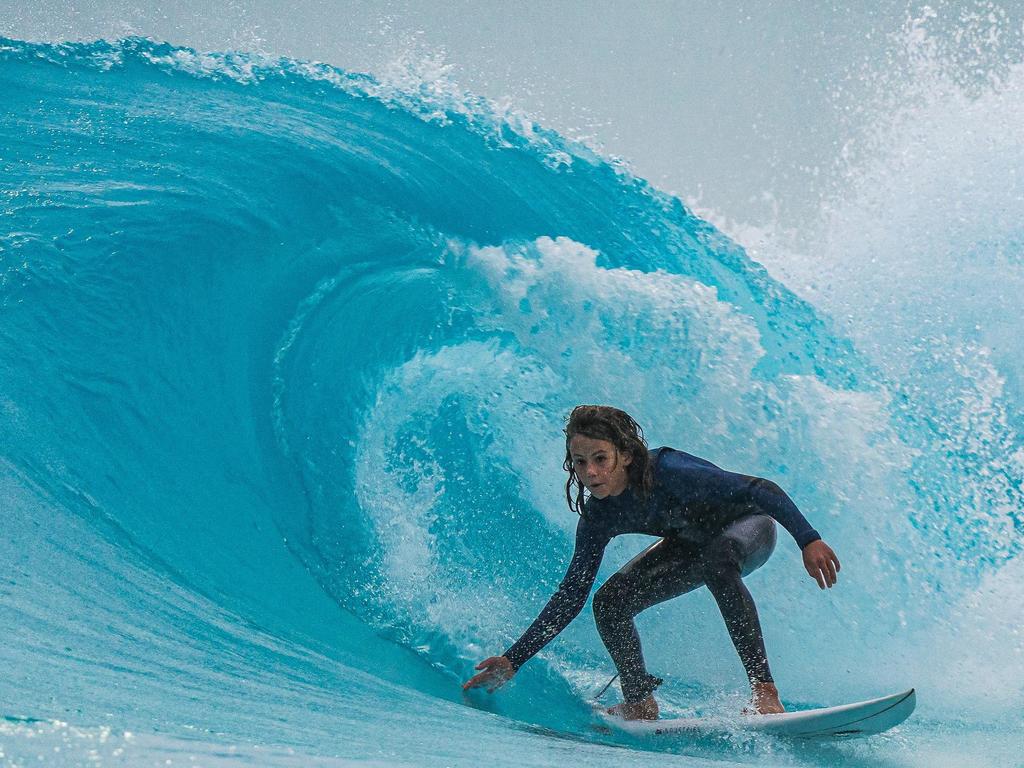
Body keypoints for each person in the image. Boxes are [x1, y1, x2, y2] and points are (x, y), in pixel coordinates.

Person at [462, 404, 840, 720]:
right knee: (608, 603)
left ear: (624, 455)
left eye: (600, 459)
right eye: (580, 462)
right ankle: (640, 701)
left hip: (748, 528)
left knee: (717, 559)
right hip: (690, 544)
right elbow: (572, 593)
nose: (590, 472)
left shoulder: (670, 472)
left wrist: (809, 539)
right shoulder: (600, 516)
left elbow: (762, 490)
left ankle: (765, 693)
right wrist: (515, 659)